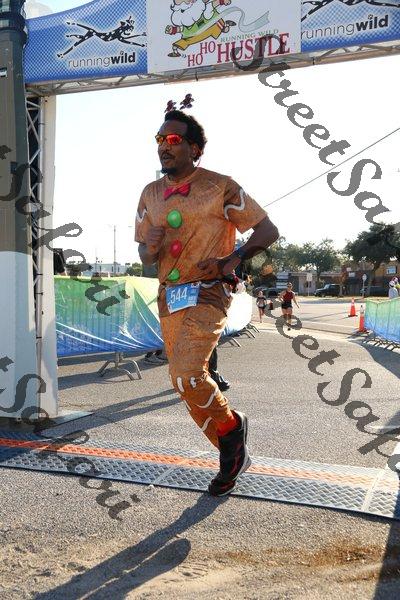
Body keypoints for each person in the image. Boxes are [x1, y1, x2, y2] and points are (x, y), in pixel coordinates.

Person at [135, 108, 279, 496]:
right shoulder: (150, 194)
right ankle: (232, 446)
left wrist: (233, 259)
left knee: (188, 374)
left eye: (173, 140)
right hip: (169, 295)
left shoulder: (221, 187)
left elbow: (267, 229)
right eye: (159, 140)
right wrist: (149, 247)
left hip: (210, 289)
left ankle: (232, 435)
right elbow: (145, 256)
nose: (164, 146)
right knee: (183, 384)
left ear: (195, 149)